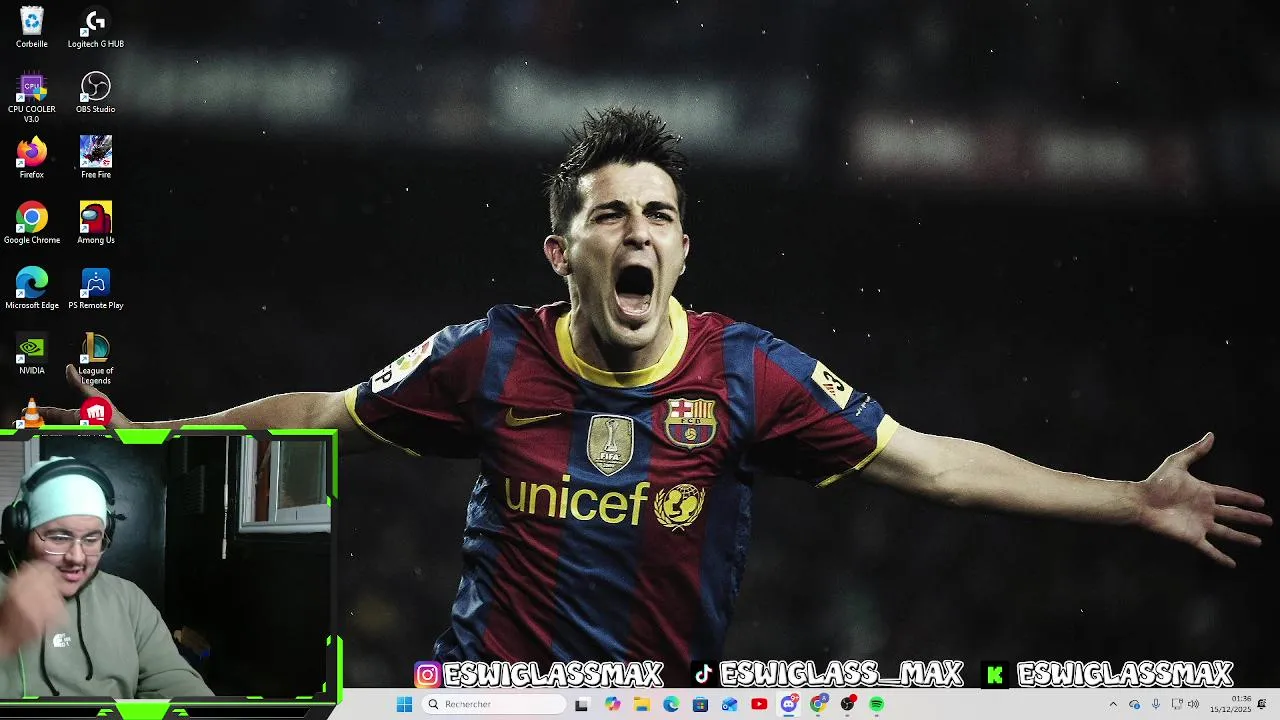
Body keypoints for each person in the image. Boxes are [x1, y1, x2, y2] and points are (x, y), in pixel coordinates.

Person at [38, 108, 1271, 672]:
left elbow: (934, 463)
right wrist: (151, 438)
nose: (638, 230)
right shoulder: (486, 357)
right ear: (561, 251)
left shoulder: (750, 372)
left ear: (682, 252)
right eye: (610, 214)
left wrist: (1130, 500)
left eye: (660, 215)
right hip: (487, 700)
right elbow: (318, 418)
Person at [0, 457, 213, 698]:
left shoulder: (129, 600)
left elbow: (176, 681)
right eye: (59, 537)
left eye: (91, 539)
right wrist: (4, 636)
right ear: (21, 533)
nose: (77, 557)